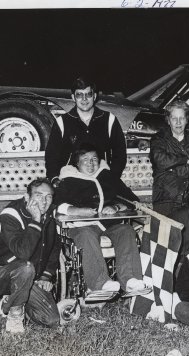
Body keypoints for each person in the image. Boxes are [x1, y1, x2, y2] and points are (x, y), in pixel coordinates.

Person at [54, 143, 150, 296]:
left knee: (126, 230)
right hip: (82, 226)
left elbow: (131, 200)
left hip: (109, 224)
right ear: (77, 163)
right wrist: (77, 210)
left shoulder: (108, 177)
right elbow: (57, 204)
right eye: (85, 160)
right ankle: (101, 283)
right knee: (86, 235)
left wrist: (116, 208)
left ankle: (130, 279)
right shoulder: (68, 181)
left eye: (94, 159)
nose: (91, 163)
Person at [45, 77, 128, 191]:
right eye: (79, 95)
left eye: (88, 94)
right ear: (73, 97)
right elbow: (51, 155)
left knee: (128, 202)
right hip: (71, 182)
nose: (84, 99)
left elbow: (120, 153)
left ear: (94, 96)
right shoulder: (62, 123)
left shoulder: (109, 120)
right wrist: (54, 178)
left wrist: (112, 177)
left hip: (101, 180)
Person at [0, 178, 60, 333]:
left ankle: (8, 302)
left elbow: (54, 248)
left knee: (51, 319)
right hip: (5, 275)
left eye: (49, 197)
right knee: (26, 267)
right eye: (39, 195)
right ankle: (15, 314)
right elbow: (23, 253)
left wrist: (46, 276)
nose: (45, 201)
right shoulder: (10, 214)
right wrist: (35, 221)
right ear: (26, 197)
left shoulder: (49, 216)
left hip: (27, 279)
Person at [150, 100, 189, 216]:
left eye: (182, 118)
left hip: (188, 199)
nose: (178, 122)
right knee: (164, 233)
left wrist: (172, 169)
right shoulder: (159, 139)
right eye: (174, 118)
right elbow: (160, 160)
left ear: (187, 119)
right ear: (168, 120)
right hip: (164, 198)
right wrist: (184, 161)